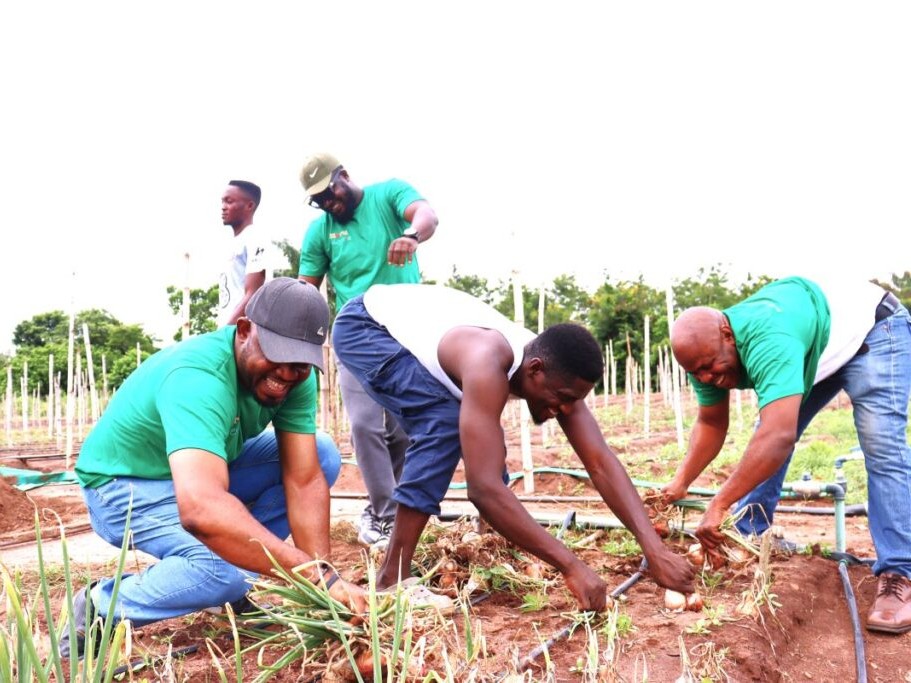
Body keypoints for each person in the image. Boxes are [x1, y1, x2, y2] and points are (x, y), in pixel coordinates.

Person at [332, 283, 695, 611]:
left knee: (482, 438)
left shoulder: (553, 370)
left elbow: (599, 461)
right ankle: (392, 578)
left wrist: (654, 547)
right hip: (366, 326)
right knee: (443, 424)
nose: (563, 411)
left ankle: (490, 545)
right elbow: (482, 489)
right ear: (535, 370)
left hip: (413, 326)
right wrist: (571, 566)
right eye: (561, 399)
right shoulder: (488, 359)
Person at [63, 278, 366, 658]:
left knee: (321, 455)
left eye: (301, 363)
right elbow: (202, 509)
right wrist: (313, 575)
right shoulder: (198, 378)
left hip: (194, 473)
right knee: (221, 571)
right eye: (279, 355)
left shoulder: (292, 376)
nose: (288, 374)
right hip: (121, 485)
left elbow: (304, 481)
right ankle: (100, 605)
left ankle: (235, 588)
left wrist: (323, 583)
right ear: (243, 331)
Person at [661, 275, 911, 634]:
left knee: (881, 445)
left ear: (728, 336)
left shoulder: (768, 339)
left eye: (709, 366)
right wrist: (679, 483)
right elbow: (712, 423)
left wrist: (718, 505)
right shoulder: (703, 354)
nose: (706, 377)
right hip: (816, 346)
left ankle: (899, 574)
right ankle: (749, 534)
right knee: (768, 428)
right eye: (695, 372)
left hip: (874, 328)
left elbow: (777, 436)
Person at [298, 153, 439, 549]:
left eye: (330, 192)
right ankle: (385, 516)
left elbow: (426, 214)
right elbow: (308, 287)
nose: (328, 203)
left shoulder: (388, 195)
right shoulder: (320, 231)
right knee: (364, 424)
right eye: (319, 200)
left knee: (401, 428)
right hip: (356, 333)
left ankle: (393, 506)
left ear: (344, 176)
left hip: (407, 331)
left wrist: (411, 235)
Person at [218, 180, 272, 327]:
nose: (223, 207)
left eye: (229, 201)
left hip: (243, 332)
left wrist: (225, 332)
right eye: (222, 201)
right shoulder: (233, 243)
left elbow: (254, 293)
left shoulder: (255, 238)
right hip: (230, 330)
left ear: (249, 205)